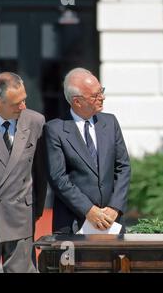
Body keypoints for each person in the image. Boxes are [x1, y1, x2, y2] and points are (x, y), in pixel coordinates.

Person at [44, 68, 130, 234]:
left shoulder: (110, 122)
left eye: (101, 91)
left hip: (112, 222)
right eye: (95, 95)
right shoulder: (55, 130)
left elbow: (123, 167)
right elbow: (58, 178)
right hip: (73, 223)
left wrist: (114, 207)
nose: (102, 97)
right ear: (77, 102)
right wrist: (89, 210)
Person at [0, 72, 46, 272]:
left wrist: (35, 211)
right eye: (17, 103)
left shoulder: (35, 122)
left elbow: (41, 174)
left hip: (20, 217)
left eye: (24, 100)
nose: (23, 107)